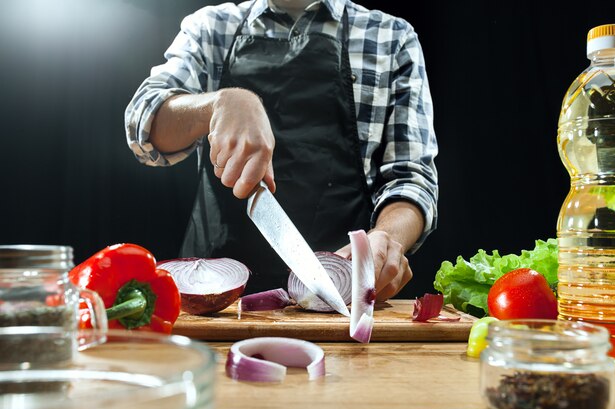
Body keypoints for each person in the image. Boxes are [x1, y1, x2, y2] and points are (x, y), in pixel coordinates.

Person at [124, 0, 438, 302]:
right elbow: (144, 125)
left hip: (338, 298)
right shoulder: (212, 28)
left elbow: (411, 179)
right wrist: (221, 103)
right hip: (215, 305)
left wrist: (388, 239)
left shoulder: (390, 37)